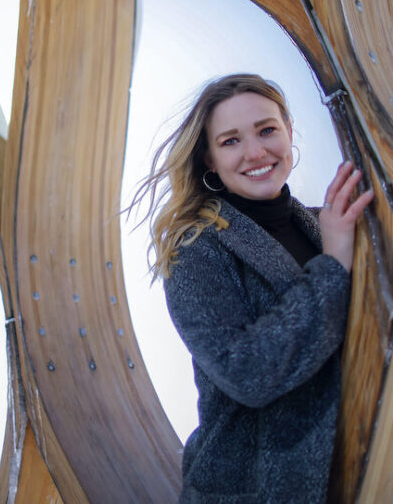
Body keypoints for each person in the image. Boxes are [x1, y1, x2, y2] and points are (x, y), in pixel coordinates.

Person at [132, 74, 374, 504]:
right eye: (230, 141)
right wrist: (333, 265)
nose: (256, 152)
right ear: (208, 158)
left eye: (267, 130)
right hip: (251, 491)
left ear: (289, 132)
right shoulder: (196, 250)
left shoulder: (329, 224)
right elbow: (247, 373)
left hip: (356, 471)